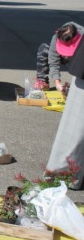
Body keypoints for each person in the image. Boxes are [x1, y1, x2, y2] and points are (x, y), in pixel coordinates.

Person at [46, 35, 84, 190]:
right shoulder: (54, 41)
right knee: (77, 127)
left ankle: (65, 172)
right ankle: (65, 173)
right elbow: (52, 63)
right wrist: (56, 81)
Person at [34, 22, 83, 92]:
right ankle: (43, 81)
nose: (66, 55)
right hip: (69, 57)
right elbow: (53, 62)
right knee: (44, 49)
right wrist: (57, 83)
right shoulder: (56, 37)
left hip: (79, 57)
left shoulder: (82, 39)